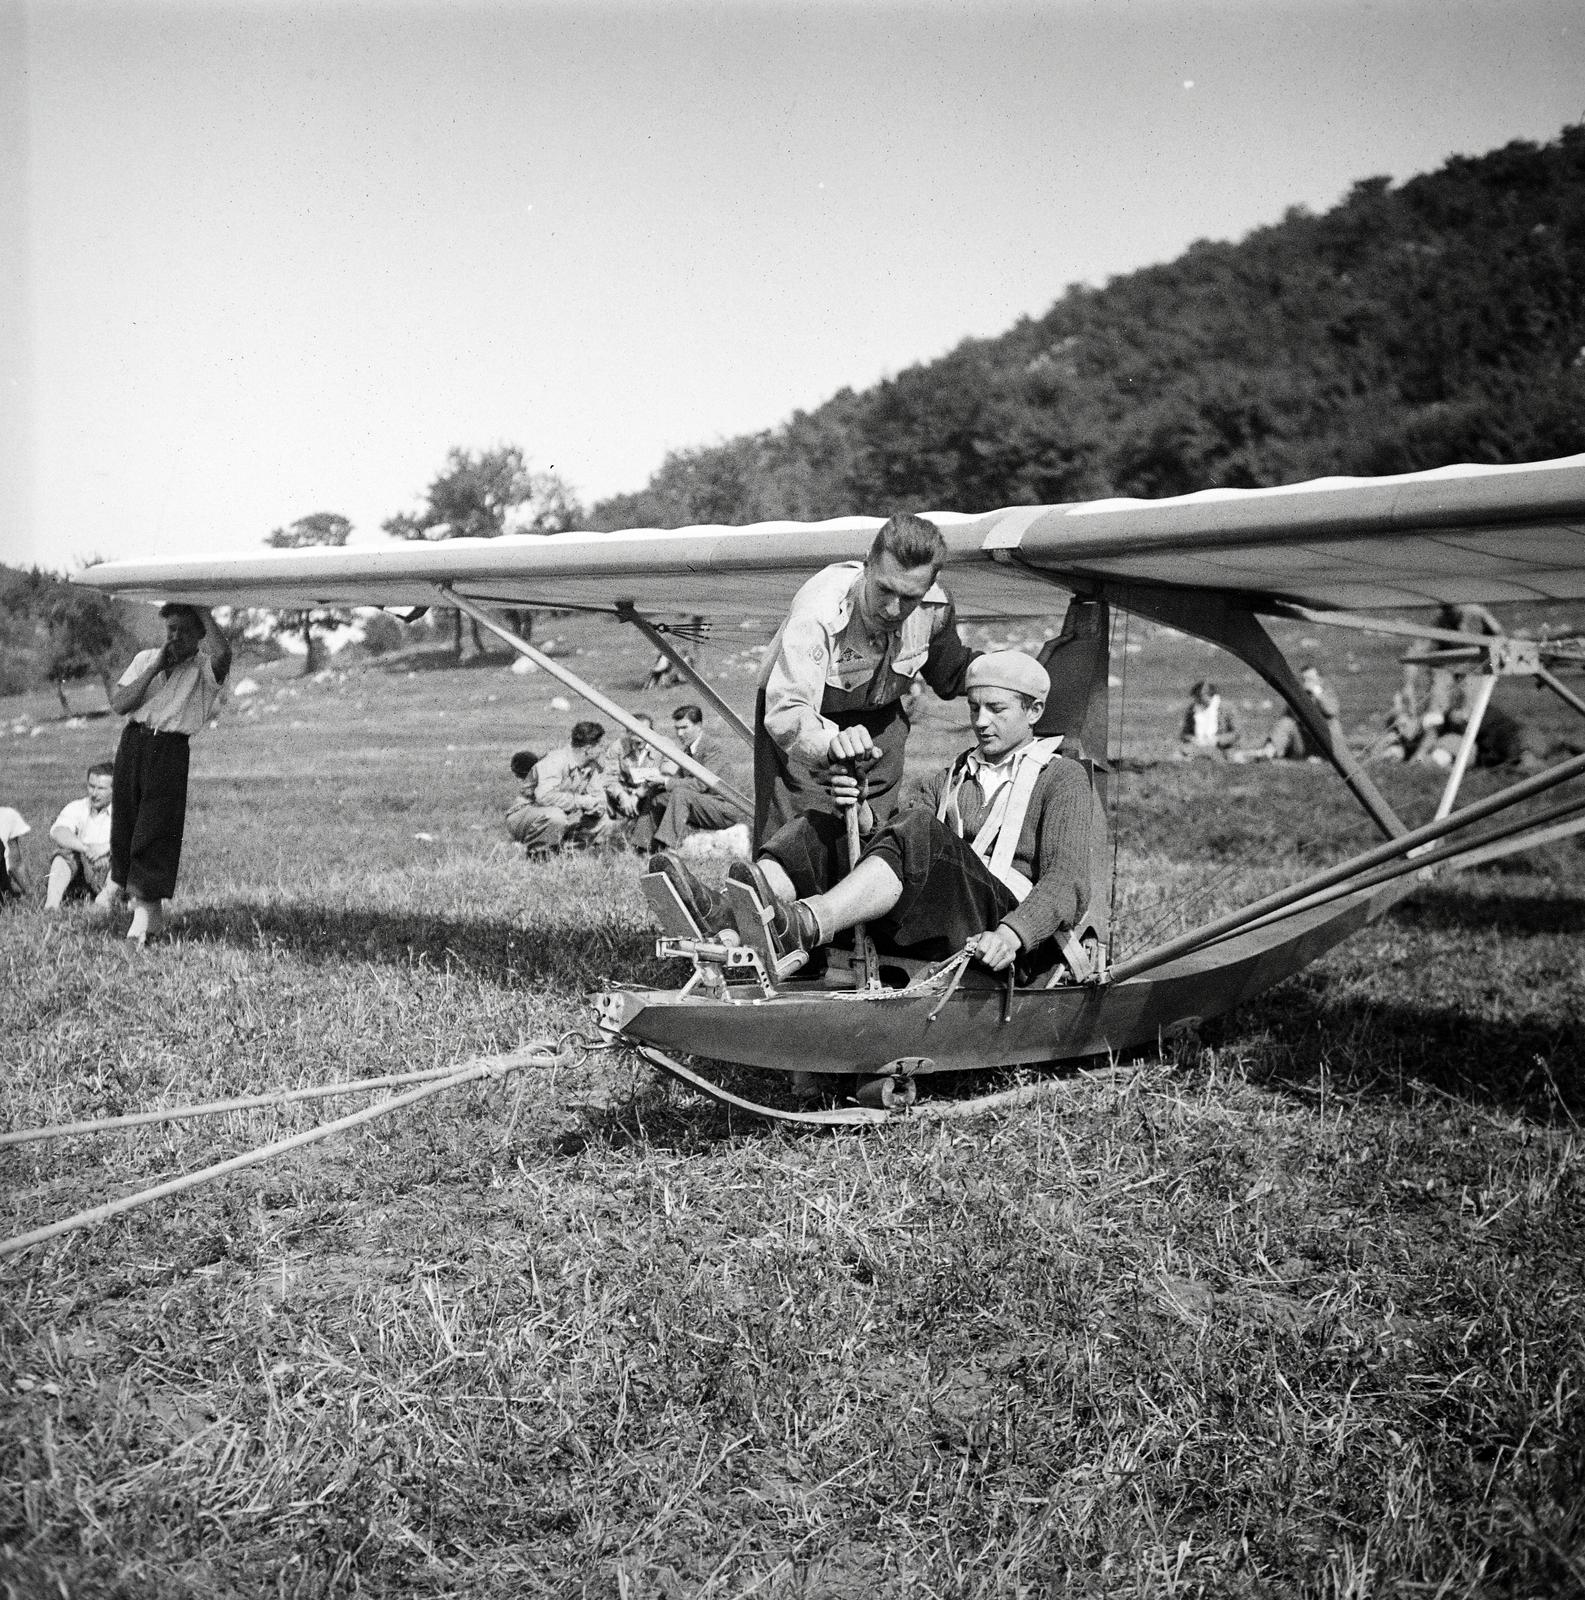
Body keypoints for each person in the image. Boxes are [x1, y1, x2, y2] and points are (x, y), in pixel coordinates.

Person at [660, 651, 1097, 977]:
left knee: (920, 828)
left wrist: (1013, 933)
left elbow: (1068, 881)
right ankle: (724, 915)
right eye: (974, 708)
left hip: (1001, 930)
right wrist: (861, 812)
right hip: (942, 915)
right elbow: (897, 843)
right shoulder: (949, 777)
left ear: (1034, 712)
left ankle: (806, 925)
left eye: (997, 710)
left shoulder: (1062, 778)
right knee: (827, 822)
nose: (981, 722)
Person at [754, 511, 976, 846]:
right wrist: (831, 745)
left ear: (929, 586)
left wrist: (1009, 673)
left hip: (880, 726)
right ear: (867, 565)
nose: (893, 609)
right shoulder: (819, 612)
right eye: (884, 590)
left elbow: (950, 674)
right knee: (794, 845)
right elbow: (788, 707)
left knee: (878, 842)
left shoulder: (935, 609)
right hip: (806, 726)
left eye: (909, 597)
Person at [109, 603, 232, 944]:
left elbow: (224, 654)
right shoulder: (146, 658)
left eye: (184, 630)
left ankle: (141, 920)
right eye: (171, 629)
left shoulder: (204, 668)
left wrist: (203, 610)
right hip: (134, 742)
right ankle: (151, 917)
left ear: (199, 635)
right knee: (128, 824)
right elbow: (120, 704)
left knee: (155, 828)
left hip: (170, 749)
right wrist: (153, 668)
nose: (175, 637)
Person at [629, 704, 743, 854]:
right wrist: (656, 781)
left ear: (699, 726)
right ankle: (641, 847)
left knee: (681, 794)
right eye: (677, 728)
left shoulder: (712, 749)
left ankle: (668, 848)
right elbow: (677, 779)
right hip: (701, 804)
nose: (680, 733)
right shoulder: (687, 750)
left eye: (684, 727)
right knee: (658, 796)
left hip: (723, 810)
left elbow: (701, 784)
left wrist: (665, 781)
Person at [506, 720, 625, 855]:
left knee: (605, 823)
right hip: (526, 813)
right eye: (600, 746)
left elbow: (599, 798)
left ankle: (564, 852)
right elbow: (544, 797)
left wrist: (597, 807)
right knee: (556, 817)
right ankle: (536, 853)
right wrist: (583, 802)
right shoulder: (555, 760)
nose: (603, 750)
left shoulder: (591, 766)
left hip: (565, 813)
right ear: (588, 749)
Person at [44, 761, 117, 910]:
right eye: (91, 786)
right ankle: (51, 906)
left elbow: (135, 841)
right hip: (84, 868)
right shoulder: (78, 807)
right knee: (63, 854)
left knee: (122, 856)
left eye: (101, 788)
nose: (94, 793)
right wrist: (85, 849)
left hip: (112, 873)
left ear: (114, 790)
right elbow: (59, 831)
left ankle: (104, 902)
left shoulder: (124, 813)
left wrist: (106, 847)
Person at [1252, 664, 1341, 761]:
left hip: (1324, 744)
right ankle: (1270, 752)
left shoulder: (1327, 693)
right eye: (1304, 679)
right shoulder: (1298, 697)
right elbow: (1287, 719)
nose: (1307, 683)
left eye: (1310, 679)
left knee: (1333, 724)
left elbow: (1331, 711)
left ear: (1320, 680)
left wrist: (1318, 694)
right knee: (1286, 722)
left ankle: (1328, 757)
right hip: (1303, 742)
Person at [1177, 680, 1238, 758]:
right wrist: (1192, 739)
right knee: (1181, 753)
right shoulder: (1192, 709)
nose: (1198, 700)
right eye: (1196, 697)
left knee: (1232, 757)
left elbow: (1236, 733)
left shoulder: (1227, 708)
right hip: (1197, 746)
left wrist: (1218, 740)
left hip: (1222, 748)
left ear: (1210, 695)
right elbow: (1184, 733)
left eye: (1200, 697)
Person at [0, 803, 31, 903]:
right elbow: (16, 865)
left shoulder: (8, 815)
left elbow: (15, 863)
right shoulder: (7, 815)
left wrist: (31, 894)